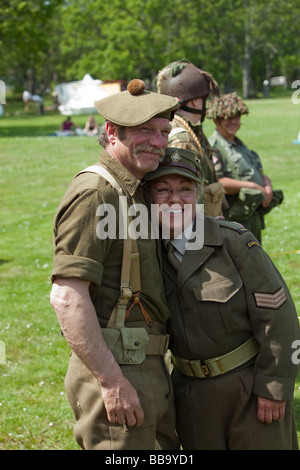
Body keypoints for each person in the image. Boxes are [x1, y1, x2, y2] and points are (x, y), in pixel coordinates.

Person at [49, 79, 180, 450]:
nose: (158, 141)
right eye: (144, 131)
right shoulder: (97, 192)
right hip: (120, 369)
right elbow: (67, 297)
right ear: (110, 132)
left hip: (149, 364)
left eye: (163, 132)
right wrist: (111, 383)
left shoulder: (135, 188)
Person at [144, 146, 300, 450]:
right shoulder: (149, 255)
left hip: (249, 390)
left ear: (199, 194)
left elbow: (280, 319)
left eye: (185, 189)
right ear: (149, 198)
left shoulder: (234, 243)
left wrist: (274, 387)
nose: (175, 199)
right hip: (191, 398)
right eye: (163, 190)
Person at [207, 92, 283, 242]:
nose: (233, 121)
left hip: (251, 213)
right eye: (227, 117)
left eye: (236, 116)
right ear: (216, 121)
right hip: (236, 217)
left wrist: (267, 186)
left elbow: (258, 171)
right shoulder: (214, 147)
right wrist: (253, 186)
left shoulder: (239, 144)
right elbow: (218, 182)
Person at [155, 59, 225, 217]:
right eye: (204, 99)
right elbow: (183, 196)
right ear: (194, 102)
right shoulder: (183, 138)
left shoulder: (192, 131)